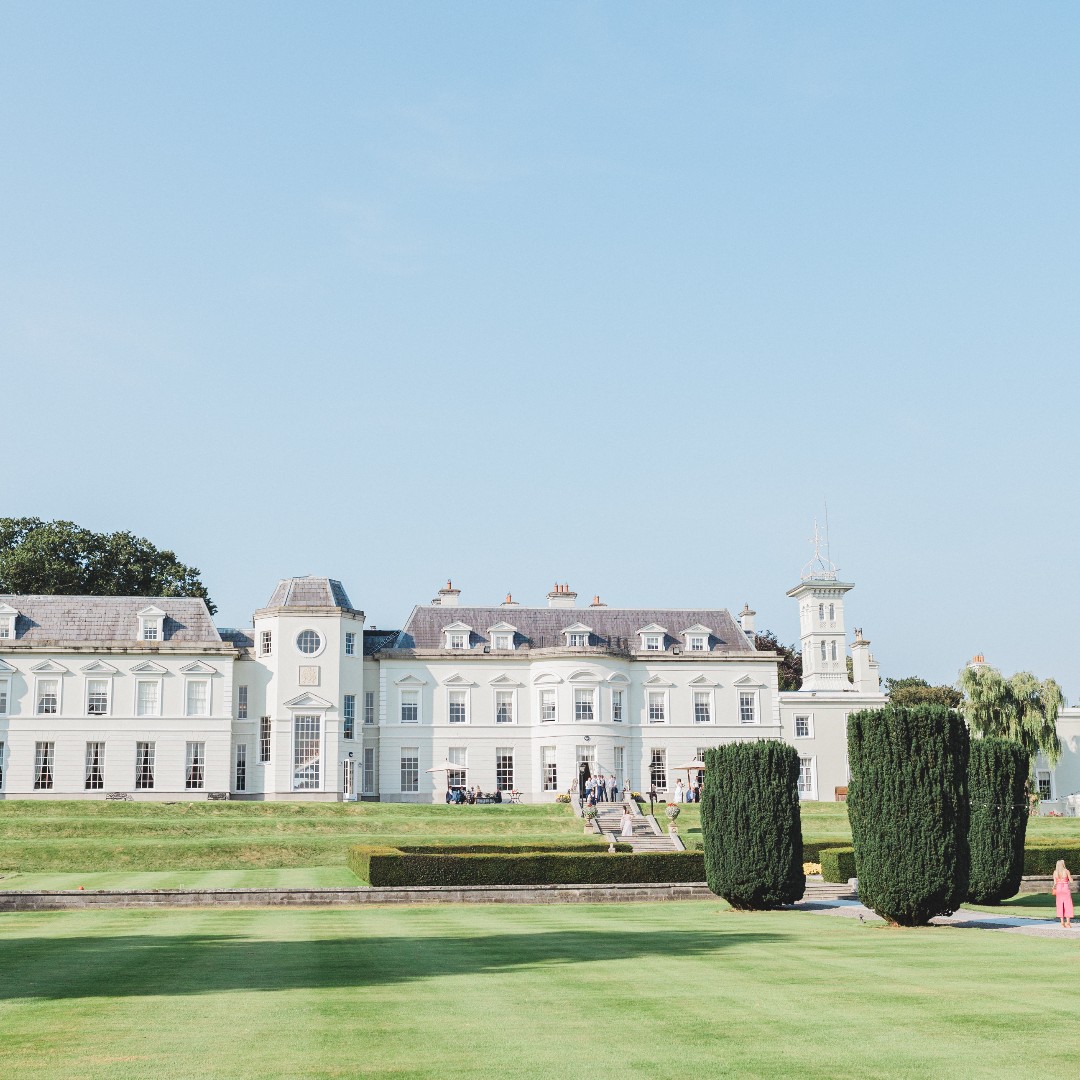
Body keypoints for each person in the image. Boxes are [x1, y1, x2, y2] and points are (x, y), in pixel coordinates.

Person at [1054, 859, 1074, 929]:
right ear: (1063, 864)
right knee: (1068, 905)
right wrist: (1070, 878)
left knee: (1059, 905)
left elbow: (1055, 883)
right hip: (1065, 888)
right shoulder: (1066, 871)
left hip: (1058, 889)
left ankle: (1062, 921)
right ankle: (1068, 922)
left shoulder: (1055, 872)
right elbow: (1071, 881)